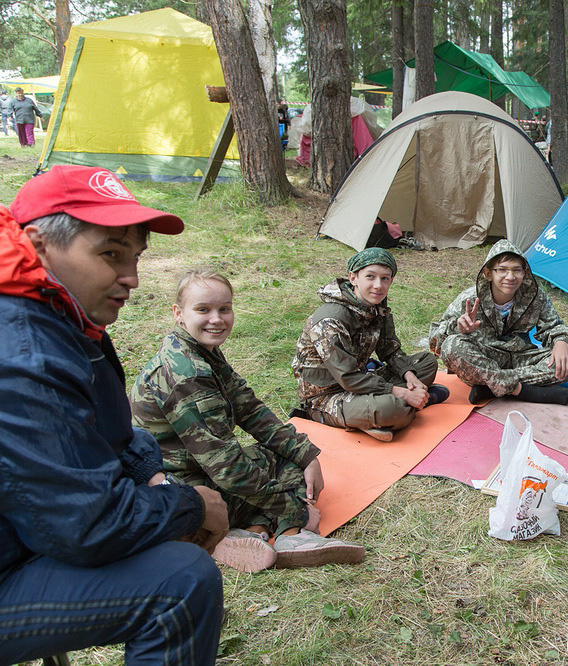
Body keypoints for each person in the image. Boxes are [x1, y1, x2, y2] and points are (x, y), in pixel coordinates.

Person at [0, 165, 225, 664]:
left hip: (22, 526)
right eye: (110, 254)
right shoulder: (23, 352)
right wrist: (192, 505)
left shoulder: (62, 314)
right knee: (181, 583)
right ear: (37, 244)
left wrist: (153, 476)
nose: (133, 278)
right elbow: (86, 526)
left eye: (136, 257)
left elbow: (114, 430)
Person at [131, 269, 366, 573]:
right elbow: (226, 467)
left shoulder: (199, 352)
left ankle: (252, 531)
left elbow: (250, 409)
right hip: (176, 493)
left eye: (224, 309)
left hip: (192, 474)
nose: (216, 319)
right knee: (280, 468)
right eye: (203, 309)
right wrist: (293, 508)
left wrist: (306, 455)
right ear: (179, 313)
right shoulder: (187, 372)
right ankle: (290, 534)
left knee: (288, 455)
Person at [293, 248, 450, 442]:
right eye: (370, 277)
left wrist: (409, 376)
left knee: (426, 362)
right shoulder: (330, 320)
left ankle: (387, 412)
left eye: (385, 278)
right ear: (353, 278)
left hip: (360, 381)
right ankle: (398, 408)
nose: (378, 285)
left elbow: (389, 350)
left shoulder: (376, 307)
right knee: (392, 409)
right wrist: (400, 392)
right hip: (327, 397)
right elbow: (348, 378)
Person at [430, 240, 568, 405]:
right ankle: (523, 390)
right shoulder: (471, 299)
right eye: (502, 270)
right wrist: (458, 328)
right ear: (488, 273)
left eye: (517, 270)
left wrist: (560, 340)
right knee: (452, 345)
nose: (510, 277)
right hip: (485, 357)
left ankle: (491, 386)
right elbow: (435, 340)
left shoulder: (535, 296)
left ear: (525, 273)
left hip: (520, 358)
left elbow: (553, 325)